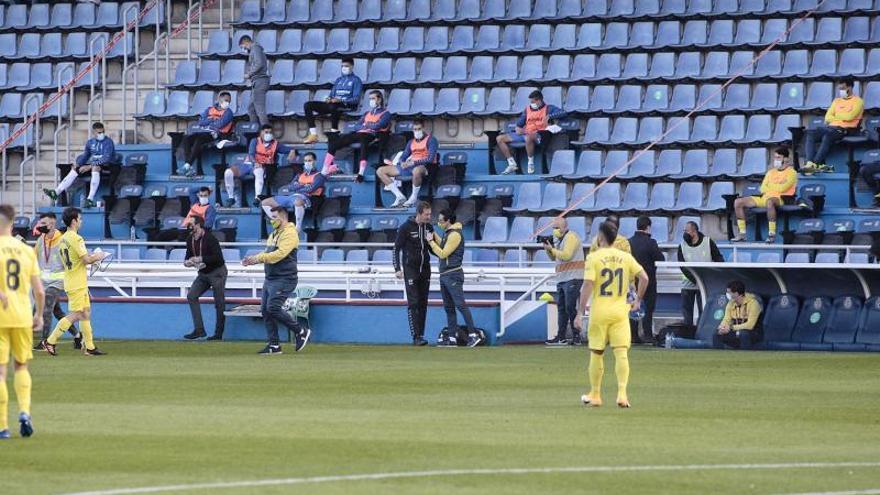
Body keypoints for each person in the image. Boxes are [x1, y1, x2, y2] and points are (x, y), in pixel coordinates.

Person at [575, 221, 649, 409]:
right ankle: (622, 395)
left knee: (597, 352)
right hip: (620, 311)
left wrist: (579, 312)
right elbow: (644, 278)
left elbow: (588, 285)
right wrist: (637, 300)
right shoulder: (625, 257)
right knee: (621, 353)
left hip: (600, 311)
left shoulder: (593, 258)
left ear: (600, 237)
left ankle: (596, 394)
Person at [0, 203, 44, 438]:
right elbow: (40, 291)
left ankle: (2, 426)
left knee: (0, 371)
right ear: (13, 222)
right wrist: (38, 315)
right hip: (22, 315)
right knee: (21, 366)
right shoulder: (26, 250)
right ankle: (25, 412)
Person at [241, 206, 311, 354]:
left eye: (274, 218)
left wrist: (257, 259)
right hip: (271, 277)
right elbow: (268, 253)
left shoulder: (290, 234)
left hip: (285, 277)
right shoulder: (274, 234)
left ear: (283, 218)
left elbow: (280, 254)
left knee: (273, 307)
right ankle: (274, 345)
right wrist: (253, 259)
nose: (271, 221)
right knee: (266, 311)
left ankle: (300, 331)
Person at [39, 207, 108, 356]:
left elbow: (76, 258)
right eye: (80, 219)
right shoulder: (76, 238)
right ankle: (50, 341)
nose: (81, 221)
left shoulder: (63, 238)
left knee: (85, 313)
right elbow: (86, 259)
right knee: (77, 314)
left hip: (73, 280)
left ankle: (89, 347)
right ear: (74, 221)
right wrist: (99, 255)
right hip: (77, 282)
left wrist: (91, 257)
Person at [427, 208, 482, 347]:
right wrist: (434, 235)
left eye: (441, 221)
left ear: (448, 221)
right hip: (445, 274)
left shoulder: (455, 235)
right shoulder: (448, 234)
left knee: (460, 305)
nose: (439, 223)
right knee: (449, 307)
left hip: (453, 274)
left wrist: (431, 242)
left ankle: (473, 334)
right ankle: (451, 337)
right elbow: (443, 245)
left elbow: (443, 253)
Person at [32, 213, 80, 350]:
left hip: (58, 281)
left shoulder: (63, 239)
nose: (40, 226)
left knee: (45, 308)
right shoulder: (41, 239)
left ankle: (45, 342)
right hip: (43, 282)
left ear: (52, 224)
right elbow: (33, 256)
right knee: (57, 311)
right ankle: (77, 335)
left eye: (43, 223)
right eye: (40, 223)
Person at [322, 90, 392, 181]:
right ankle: (324, 171)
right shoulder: (367, 113)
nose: (371, 101)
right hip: (359, 133)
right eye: (370, 99)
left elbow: (378, 126)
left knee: (364, 141)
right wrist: (368, 125)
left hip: (373, 135)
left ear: (379, 99)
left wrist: (365, 125)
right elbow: (356, 126)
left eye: (373, 98)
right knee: (335, 141)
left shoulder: (386, 113)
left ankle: (361, 173)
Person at [43, 122, 116, 209]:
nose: (101, 134)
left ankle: (90, 199)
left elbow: (106, 158)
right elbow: (85, 156)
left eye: (102, 132)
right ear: (94, 132)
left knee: (95, 167)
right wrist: (78, 164)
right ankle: (56, 192)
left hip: (108, 166)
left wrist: (90, 166)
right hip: (93, 165)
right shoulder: (90, 143)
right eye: (99, 132)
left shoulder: (108, 142)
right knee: (76, 169)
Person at [732, 146, 797, 243]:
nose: (776, 160)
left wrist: (770, 186)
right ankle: (742, 234)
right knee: (738, 202)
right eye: (775, 157)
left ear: (786, 159)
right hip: (764, 197)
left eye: (778, 157)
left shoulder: (792, 172)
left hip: (780, 199)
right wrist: (773, 186)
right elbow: (762, 188)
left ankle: (771, 234)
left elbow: (782, 188)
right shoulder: (771, 172)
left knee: (769, 202)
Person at [223, 124, 295, 207]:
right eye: (266, 132)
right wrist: (255, 162)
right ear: (261, 133)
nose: (268, 134)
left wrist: (292, 150)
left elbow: (288, 149)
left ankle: (257, 197)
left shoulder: (276, 144)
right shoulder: (255, 141)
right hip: (249, 164)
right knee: (228, 172)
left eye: (270, 132)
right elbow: (251, 154)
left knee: (259, 171)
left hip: (263, 167)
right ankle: (231, 197)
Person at [802, 78, 864, 175]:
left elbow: (850, 117)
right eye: (840, 89)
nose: (841, 91)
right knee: (810, 133)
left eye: (843, 88)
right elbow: (827, 117)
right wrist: (840, 117)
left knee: (828, 136)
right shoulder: (836, 101)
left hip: (844, 130)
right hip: (830, 128)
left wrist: (835, 116)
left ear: (850, 87)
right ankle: (810, 164)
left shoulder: (858, 101)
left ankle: (816, 164)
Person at [497, 90, 566, 175]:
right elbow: (519, 124)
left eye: (533, 101)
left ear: (539, 100)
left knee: (528, 137)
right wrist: (518, 129)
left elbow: (563, 113)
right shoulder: (527, 110)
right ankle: (511, 164)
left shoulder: (549, 108)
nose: (531, 103)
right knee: (500, 138)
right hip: (526, 132)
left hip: (539, 134)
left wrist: (549, 116)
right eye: (531, 102)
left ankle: (530, 162)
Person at [393, 201, 433, 346]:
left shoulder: (429, 227)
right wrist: (397, 268)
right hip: (411, 270)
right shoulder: (405, 228)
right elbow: (396, 248)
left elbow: (432, 248)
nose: (429, 217)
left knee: (423, 303)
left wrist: (445, 253)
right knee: (414, 302)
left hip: (425, 270)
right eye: (426, 214)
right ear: (419, 213)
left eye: (430, 214)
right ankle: (415, 336)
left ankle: (421, 335)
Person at [182, 216, 227, 341]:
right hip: (203, 273)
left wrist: (201, 259)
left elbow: (218, 258)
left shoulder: (210, 239)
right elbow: (188, 256)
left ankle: (218, 333)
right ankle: (199, 330)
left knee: (219, 302)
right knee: (191, 295)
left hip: (217, 272)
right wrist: (187, 262)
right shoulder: (189, 239)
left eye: (191, 224)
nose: (189, 227)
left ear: (198, 225)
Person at [376, 120, 438, 208]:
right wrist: (402, 162)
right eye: (415, 129)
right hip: (410, 166)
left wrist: (414, 162)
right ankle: (399, 196)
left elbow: (430, 159)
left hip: (426, 166)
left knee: (416, 170)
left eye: (419, 129)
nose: (417, 131)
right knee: (380, 171)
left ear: (423, 128)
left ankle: (413, 197)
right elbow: (404, 155)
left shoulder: (431, 140)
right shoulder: (411, 142)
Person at [542, 217, 584, 346]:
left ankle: (576, 335)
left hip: (573, 276)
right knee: (561, 308)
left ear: (565, 227)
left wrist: (553, 249)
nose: (555, 230)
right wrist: (548, 249)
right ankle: (561, 336)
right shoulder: (559, 239)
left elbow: (566, 255)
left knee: (570, 306)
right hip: (562, 278)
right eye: (554, 228)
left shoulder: (571, 237)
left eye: (557, 228)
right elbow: (554, 258)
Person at [303, 58, 363, 144]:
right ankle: (313, 135)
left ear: (352, 67)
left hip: (346, 105)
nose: (344, 68)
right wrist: (329, 99)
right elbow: (331, 95)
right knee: (308, 105)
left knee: (335, 106)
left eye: (346, 66)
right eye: (342, 66)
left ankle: (334, 132)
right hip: (333, 104)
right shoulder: (339, 80)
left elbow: (356, 99)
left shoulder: (356, 80)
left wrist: (340, 100)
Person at [677, 221, 725, 327]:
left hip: (705, 285)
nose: (685, 233)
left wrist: (717, 275)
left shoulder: (708, 242)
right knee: (687, 314)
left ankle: (701, 333)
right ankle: (687, 333)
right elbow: (682, 266)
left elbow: (718, 258)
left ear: (694, 231)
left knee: (703, 312)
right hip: (687, 284)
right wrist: (696, 280)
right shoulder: (682, 246)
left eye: (687, 231)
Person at [260, 152, 326, 229]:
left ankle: (298, 228)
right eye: (305, 161)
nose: (307, 163)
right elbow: (290, 187)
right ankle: (280, 221)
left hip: (307, 198)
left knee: (298, 201)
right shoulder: (300, 175)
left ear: (315, 161)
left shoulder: (319, 176)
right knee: (265, 202)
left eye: (309, 160)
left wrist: (298, 186)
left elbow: (310, 189)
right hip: (292, 196)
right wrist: (303, 185)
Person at [176, 92, 234, 177]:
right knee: (186, 138)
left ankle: (187, 166)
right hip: (205, 132)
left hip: (218, 134)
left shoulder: (228, 112)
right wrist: (213, 120)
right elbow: (200, 122)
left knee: (200, 138)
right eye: (226, 100)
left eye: (229, 101)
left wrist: (210, 119)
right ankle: (188, 166)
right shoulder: (209, 109)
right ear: (219, 100)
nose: (228, 103)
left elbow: (220, 124)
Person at [628, 216, 665, 344]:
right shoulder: (651, 242)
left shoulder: (629, 242)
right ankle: (647, 334)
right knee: (648, 308)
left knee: (632, 306)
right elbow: (660, 259)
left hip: (632, 280)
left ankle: (633, 335)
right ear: (648, 227)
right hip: (648, 279)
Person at [713, 280, 763, 350]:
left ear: (736, 293)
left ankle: (745, 356)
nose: (727, 294)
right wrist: (722, 327)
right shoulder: (730, 303)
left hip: (753, 333)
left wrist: (731, 328)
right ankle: (718, 357)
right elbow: (726, 319)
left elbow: (750, 325)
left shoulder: (753, 303)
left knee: (743, 334)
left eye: (729, 292)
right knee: (717, 333)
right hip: (736, 330)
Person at [239, 35, 270, 127]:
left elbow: (259, 63)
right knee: (251, 109)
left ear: (245, 42)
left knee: (260, 110)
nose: (243, 49)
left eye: (242, 46)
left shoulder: (255, 48)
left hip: (260, 81)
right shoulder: (254, 49)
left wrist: (249, 74)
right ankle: (254, 131)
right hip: (257, 81)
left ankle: (266, 133)